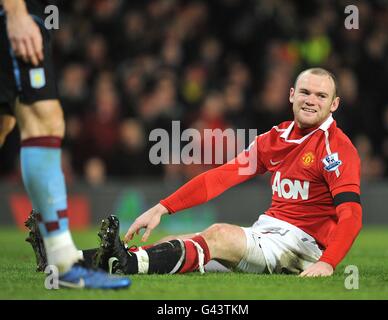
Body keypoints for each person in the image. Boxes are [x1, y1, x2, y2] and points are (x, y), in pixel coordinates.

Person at [27, 68, 363, 278]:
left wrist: (328, 263)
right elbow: (221, 177)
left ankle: (125, 265)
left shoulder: (336, 148)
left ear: (334, 104)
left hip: (303, 248)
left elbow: (351, 216)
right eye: (305, 92)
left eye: (321, 96)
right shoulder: (274, 140)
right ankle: (66, 259)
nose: (310, 100)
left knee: (217, 234)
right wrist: (162, 208)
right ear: (292, 95)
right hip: (270, 233)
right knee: (172, 245)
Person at [0, 0, 130, 289]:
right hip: (20, 14)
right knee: (44, 120)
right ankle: (63, 263)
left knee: (5, 123)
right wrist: (16, 13)